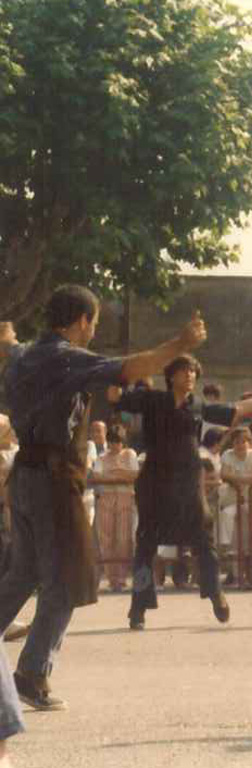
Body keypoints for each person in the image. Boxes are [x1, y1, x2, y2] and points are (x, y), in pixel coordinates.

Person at [0, 288, 205, 720]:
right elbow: (134, 366)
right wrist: (181, 345)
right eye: (92, 322)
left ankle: (30, 670)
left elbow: (10, 344)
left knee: (24, 572)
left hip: (24, 474)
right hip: (55, 479)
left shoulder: (24, 357)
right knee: (69, 576)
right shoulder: (66, 357)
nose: (93, 331)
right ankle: (32, 673)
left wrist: (8, 336)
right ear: (78, 320)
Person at [112, 353, 252, 631]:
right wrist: (117, 374)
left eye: (193, 371)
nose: (190, 375)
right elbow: (116, 397)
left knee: (204, 539)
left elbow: (236, 409)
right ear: (171, 376)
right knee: (145, 544)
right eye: (184, 370)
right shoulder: (153, 399)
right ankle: (138, 607)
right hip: (155, 481)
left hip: (188, 482)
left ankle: (215, 592)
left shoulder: (198, 406)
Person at [92, 425, 139, 592]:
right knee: (106, 538)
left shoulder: (130, 454)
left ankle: (121, 577)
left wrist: (112, 474)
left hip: (125, 498)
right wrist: (120, 475)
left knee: (123, 538)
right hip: (106, 499)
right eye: (111, 442)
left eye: (117, 442)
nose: (114, 446)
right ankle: (112, 578)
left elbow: (134, 475)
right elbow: (97, 477)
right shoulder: (102, 457)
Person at [218, 426, 252, 587]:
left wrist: (239, 479)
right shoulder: (227, 455)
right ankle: (237, 576)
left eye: (244, 441)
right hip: (232, 500)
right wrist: (247, 478)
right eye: (238, 441)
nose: (241, 445)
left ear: (249, 442)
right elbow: (224, 474)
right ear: (233, 443)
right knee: (235, 538)